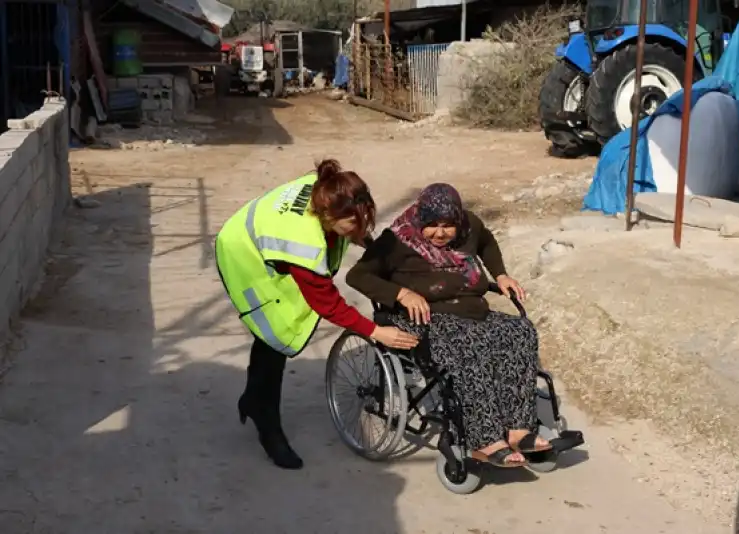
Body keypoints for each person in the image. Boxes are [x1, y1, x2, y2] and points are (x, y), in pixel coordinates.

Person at [215, 159, 419, 470]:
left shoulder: (330, 188)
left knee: (270, 337)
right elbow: (328, 304)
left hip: (259, 230)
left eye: (364, 219)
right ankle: (268, 426)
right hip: (243, 253)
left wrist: (360, 235)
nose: (360, 229)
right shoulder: (301, 244)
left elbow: (348, 224)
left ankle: (252, 399)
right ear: (326, 217)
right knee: (276, 336)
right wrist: (375, 332)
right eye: (353, 224)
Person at [346, 183, 551, 467]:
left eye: (447, 225)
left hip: (470, 311)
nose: (440, 233)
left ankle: (518, 428)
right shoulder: (396, 241)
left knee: (520, 332)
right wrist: (401, 293)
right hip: (423, 318)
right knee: (470, 347)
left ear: (458, 220)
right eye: (431, 225)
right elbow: (357, 276)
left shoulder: (469, 227)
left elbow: (487, 242)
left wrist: (501, 275)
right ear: (420, 219)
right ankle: (484, 440)